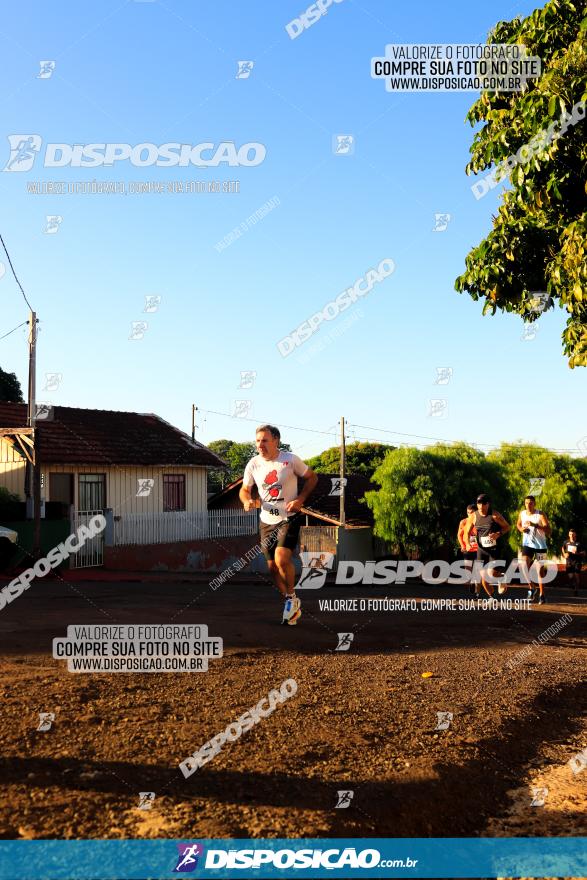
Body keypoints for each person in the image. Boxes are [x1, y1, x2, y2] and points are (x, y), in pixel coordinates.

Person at [239, 424, 318, 625]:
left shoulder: (290, 460)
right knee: (272, 567)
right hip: (266, 520)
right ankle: (291, 601)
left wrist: (300, 499)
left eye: (264, 440)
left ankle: (291, 598)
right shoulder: (253, 464)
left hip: (288, 517)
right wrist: (246, 500)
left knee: (281, 559)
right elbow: (244, 489)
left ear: (276, 441)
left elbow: (312, 478)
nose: (260, 445)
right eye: (257, 441)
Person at [464, 494, 510, 597]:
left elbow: (507, 527)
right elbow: (466, 532)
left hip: (494, 549)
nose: (481, 506)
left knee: (491, 574)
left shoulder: (495, 515)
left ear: (488, 504)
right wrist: (467, 544)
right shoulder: (473, 516)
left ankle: (501, 577)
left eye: (483, 503)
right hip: (481, 549)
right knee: (483, 578)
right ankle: (492, 597)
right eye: (479, 503)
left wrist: (498, 534)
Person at [516, 495, 551, 604]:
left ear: (534, 504)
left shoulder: (540, 514)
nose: (528, 505)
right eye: (526, 503)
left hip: (540, 546)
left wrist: (535, 525)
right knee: (523, 566)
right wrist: (521, 529)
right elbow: (518, 524)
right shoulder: (522, 513)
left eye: (530, 503)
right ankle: (532, 587)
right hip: (528, 544)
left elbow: (548, 530)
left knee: (540, 572)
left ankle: (542, 595)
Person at [457, 504, 479, 594]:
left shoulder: (479, 522)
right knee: (468, 571)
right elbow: (459, 535)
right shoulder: (463, 522)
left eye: (471, 513)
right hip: (467, 549)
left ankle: (476, 589)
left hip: (478, 549)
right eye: (468, 513)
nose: (469, 515)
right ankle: (472, 583)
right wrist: (462, 545)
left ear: (476, 512)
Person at [562, 529, 585, 595]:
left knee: (576, 576)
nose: (571, 535)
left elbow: (584, 553)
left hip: (577, 562)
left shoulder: (579, 543)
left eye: (573, 534)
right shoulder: (566, 542)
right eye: (570, 534)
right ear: (568, 535)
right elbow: (563, 548)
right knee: (570, 577)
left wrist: (577, 553)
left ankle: (576, 590)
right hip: (569, 562)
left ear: (575, 535)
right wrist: (564, 554)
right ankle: (573, 585)